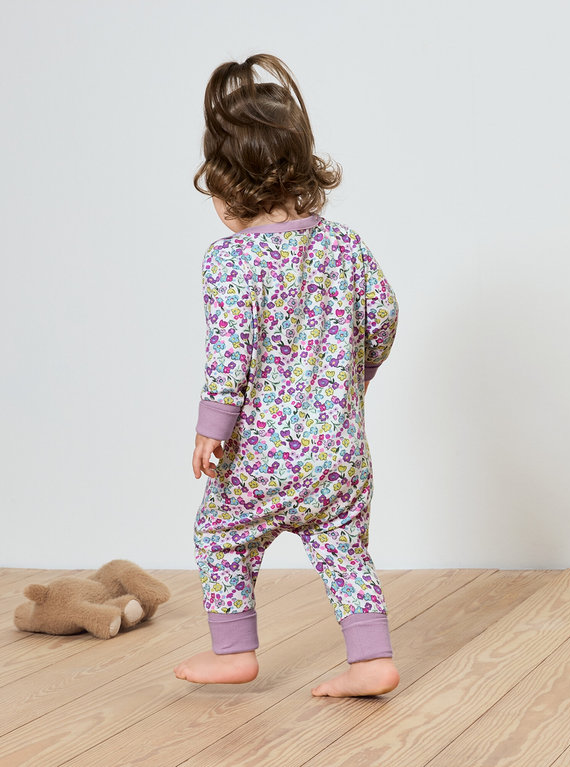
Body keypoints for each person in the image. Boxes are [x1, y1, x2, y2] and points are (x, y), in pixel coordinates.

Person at [173, 54, 400, 697]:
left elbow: (229, 353)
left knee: (220, 536)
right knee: (345, 550)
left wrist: (211, 428)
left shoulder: (229, 261)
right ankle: (372, 660)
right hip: (339, 452)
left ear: (221, 192)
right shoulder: (346, 245)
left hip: (263, 459)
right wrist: (353, 377)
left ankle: (235, 651)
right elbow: (382, 317)